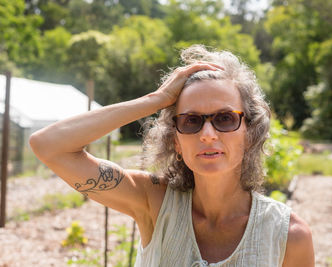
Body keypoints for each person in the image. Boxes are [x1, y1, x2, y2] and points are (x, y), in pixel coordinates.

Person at [30, 45, 314, 267]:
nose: (207, 134)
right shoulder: (153, 203)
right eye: (190, 121)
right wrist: (155, 100)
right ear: (175, 141)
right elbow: (48, 145)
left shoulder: (288, 236)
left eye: (225, 118)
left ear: (250, 132)